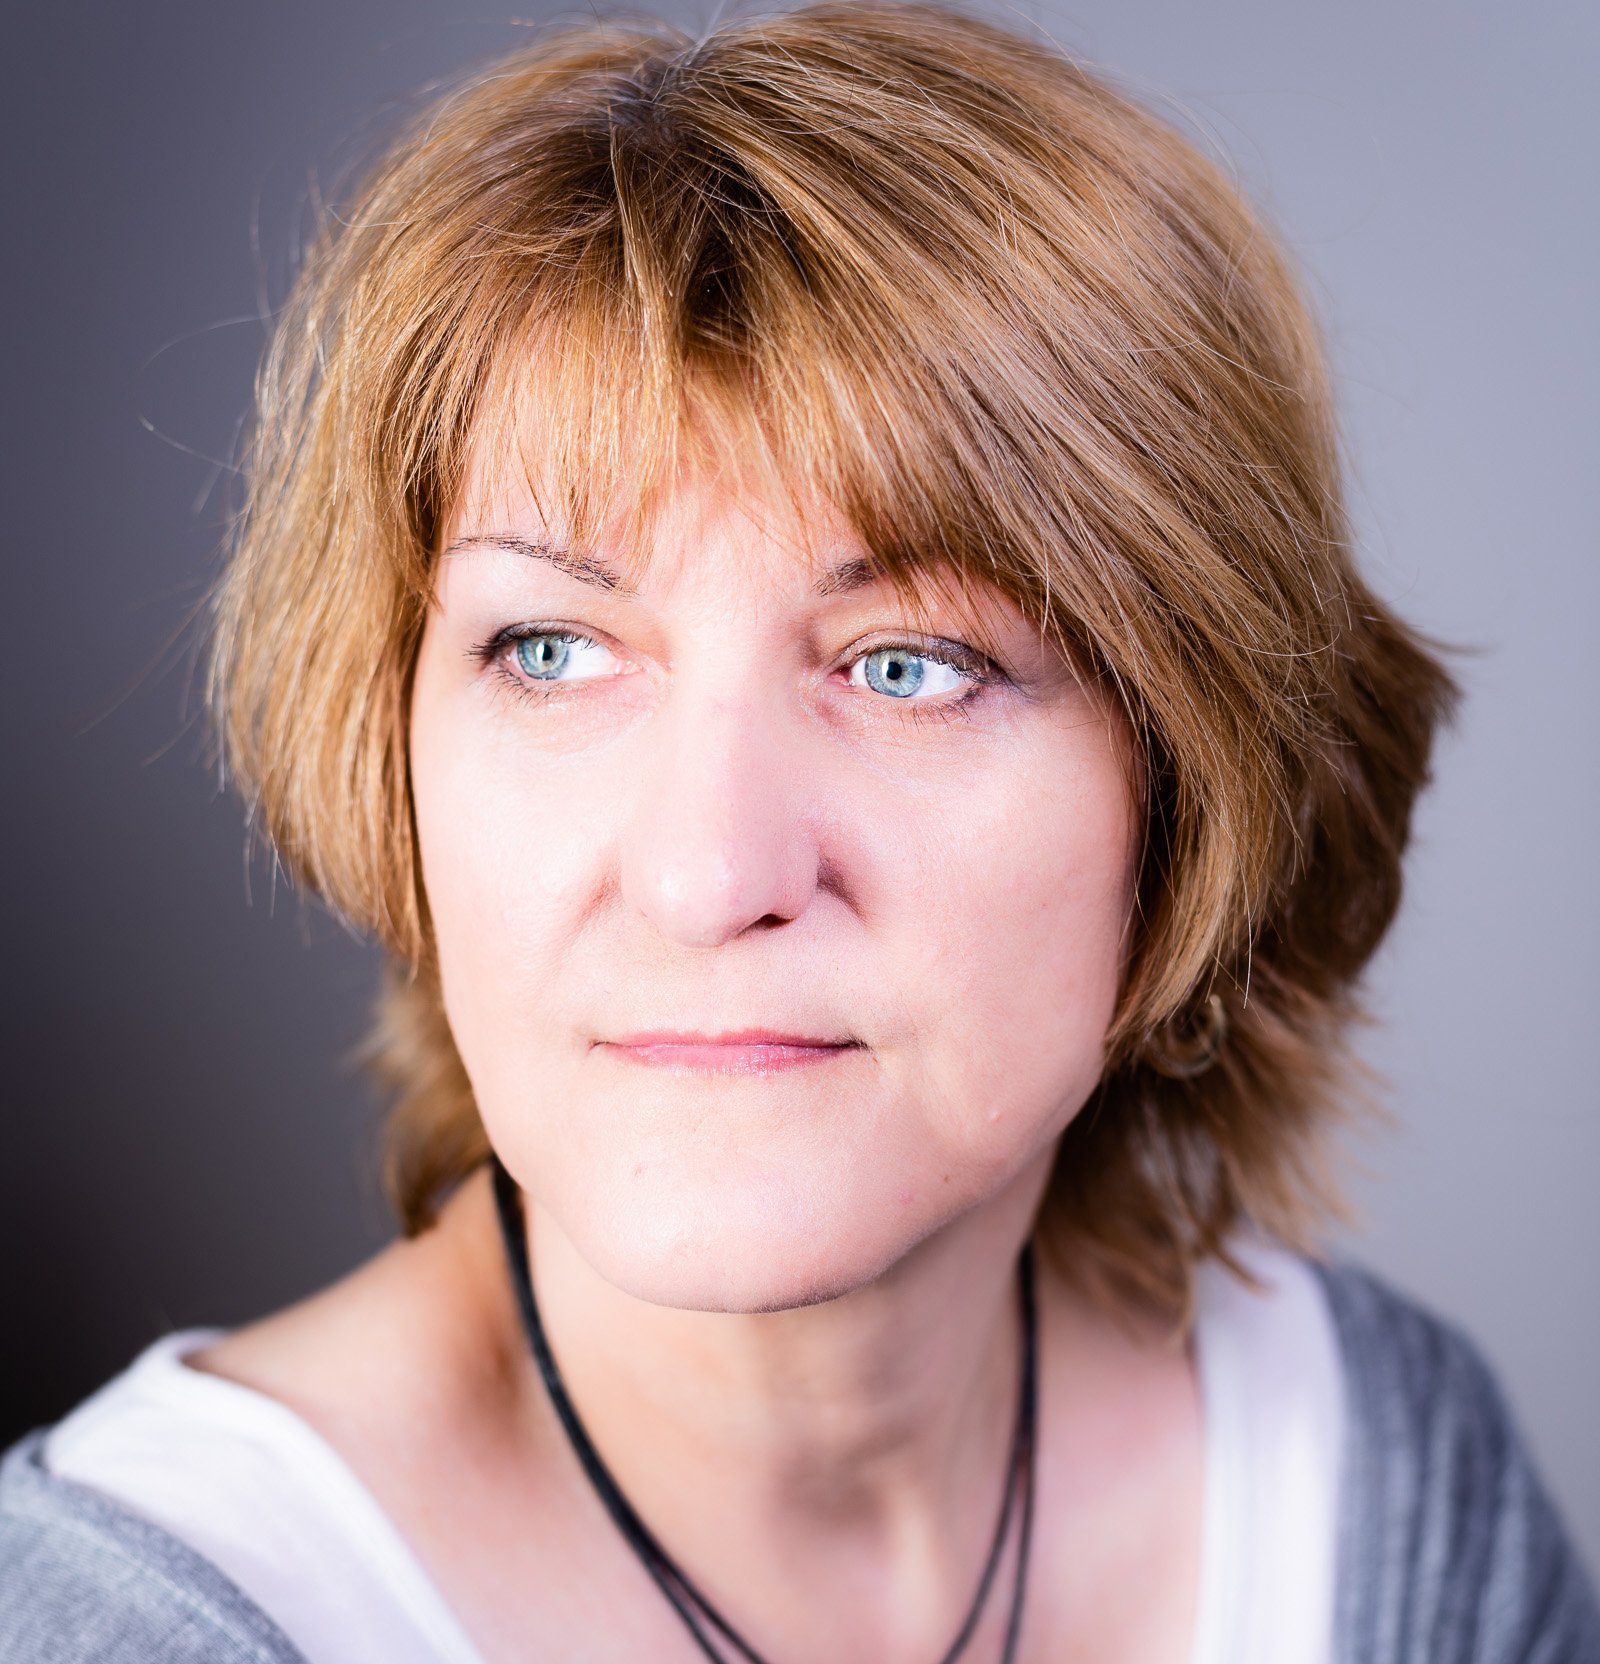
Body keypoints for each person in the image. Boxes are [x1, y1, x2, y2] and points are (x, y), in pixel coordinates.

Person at [1, 1, 1595, 1659]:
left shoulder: (1387, 1502)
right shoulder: (123, 1626)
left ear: (1191, 790)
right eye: (551, 651)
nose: (706, 878)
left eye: (910, 666)